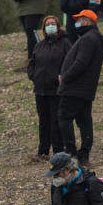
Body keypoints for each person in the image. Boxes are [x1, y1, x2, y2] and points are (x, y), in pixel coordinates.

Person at [56, 8, 103, 166]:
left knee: (64, 117)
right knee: (84, 121)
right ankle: (83, 155)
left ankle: (72, 154)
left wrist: (65, 77)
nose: (76, 23)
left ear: (87, 21)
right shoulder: (93, 38)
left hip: (75, 88)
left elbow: (81, 63)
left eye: (79, 20)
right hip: (85, 89)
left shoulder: (88, 39)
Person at [27, 14, 70, 161]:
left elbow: (69, 63)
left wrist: (62, 77)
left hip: (56, 90)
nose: (50, 26)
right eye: (47, 24)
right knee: (43, 121)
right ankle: (43, 151)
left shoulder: (65, 44)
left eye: (53, 23)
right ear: (44, 28)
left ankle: (58, 152)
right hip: (40, 90)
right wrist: (33, 76)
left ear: (58, 26)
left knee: (56, 121)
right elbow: (32, 63)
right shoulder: (39, 45)